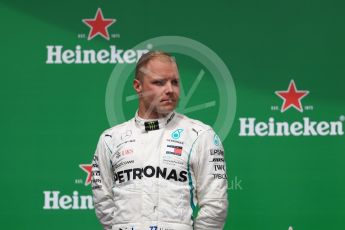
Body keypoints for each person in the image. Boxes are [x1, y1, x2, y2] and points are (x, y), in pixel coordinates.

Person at [92, 51, 228, 230]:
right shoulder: (110, 139)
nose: (170, 90)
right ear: (138, 86)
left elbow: (215, 204)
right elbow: (103, 202)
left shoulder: (200, 135)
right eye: (159, 82)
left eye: (175, 82)